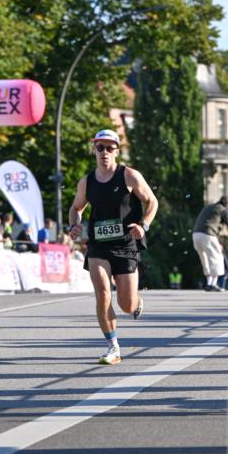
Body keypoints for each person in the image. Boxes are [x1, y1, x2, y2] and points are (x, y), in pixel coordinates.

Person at [68, 128, 158, 365]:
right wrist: (74, 225)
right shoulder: (86, 182)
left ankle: (136, 302)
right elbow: (76, 208)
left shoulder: (129, 176)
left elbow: (151, 201)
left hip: (126, 243)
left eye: (110, 148)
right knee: (103, 293)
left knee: (126, 304)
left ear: (117, 151)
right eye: (100, 147)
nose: (104, 152)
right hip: (98, 244)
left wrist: (144, 225)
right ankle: (113, 347)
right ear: (93, 150)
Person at [192, 196, 228, 292]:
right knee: (217, 258)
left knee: (205, 259)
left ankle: (209, 283)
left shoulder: (209, 207)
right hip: (208, 234)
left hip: (196, 234)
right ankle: (213, 284)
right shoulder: (222, 209)